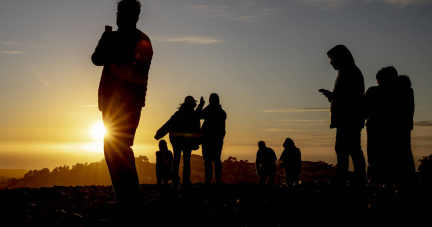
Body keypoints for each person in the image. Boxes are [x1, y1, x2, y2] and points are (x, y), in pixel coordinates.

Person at [91, 0, 153, 206]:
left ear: (129, 16)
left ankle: (128, 198)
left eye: (120, 13)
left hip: (118, 101)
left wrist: (106, 41)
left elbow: (97, 59)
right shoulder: (143, 39)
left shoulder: (116, 39)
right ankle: (127, 196)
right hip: (129, 102)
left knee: (115, 147)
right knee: (119, 146)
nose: (118, 16)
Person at [319, 45, 366, 186]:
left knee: (348, 150)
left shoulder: (349, 72)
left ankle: (350, 180)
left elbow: (350, 98)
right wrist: (332, 96)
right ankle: (349, 179)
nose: (331, 63)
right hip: (348, 118)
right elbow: (345, 97)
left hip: (348, 119)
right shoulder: (347, 72)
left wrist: (334, 97)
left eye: (332, 59)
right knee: (346, 150)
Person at [155, 96, 203, 188]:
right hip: (188, 142)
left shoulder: (178, 114)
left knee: (176, 160)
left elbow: (168, 125)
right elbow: (197, 119)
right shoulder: (193, 115)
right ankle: (186, 181)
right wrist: (201, 105)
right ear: (192, 103)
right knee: (186, 161)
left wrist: (158, 135)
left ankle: (175, 181)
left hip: (176, 142)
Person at [364, 67, 399, 184]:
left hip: (378, 129)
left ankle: (375, 183)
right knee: (381, 157)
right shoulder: (399, 93)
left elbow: (363, 110)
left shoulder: (373, 91)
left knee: (376, 158)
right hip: (382, 129)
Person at [197, 94, 227, 184]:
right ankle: (218, 179)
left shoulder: (209, 110)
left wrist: (201, 105)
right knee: (216, 160)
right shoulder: (222, 113)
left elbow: (197, 115)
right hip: (217, 140)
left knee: (208, 160)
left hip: (207, 139)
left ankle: (208, 179)